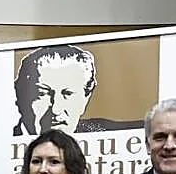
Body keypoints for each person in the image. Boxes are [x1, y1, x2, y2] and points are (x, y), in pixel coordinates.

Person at [12, 45, 142, 136]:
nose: (56, 109)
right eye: (43, 94)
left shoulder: (102, 134)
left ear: (86, 97)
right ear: (20, 96)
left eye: (67, 94)